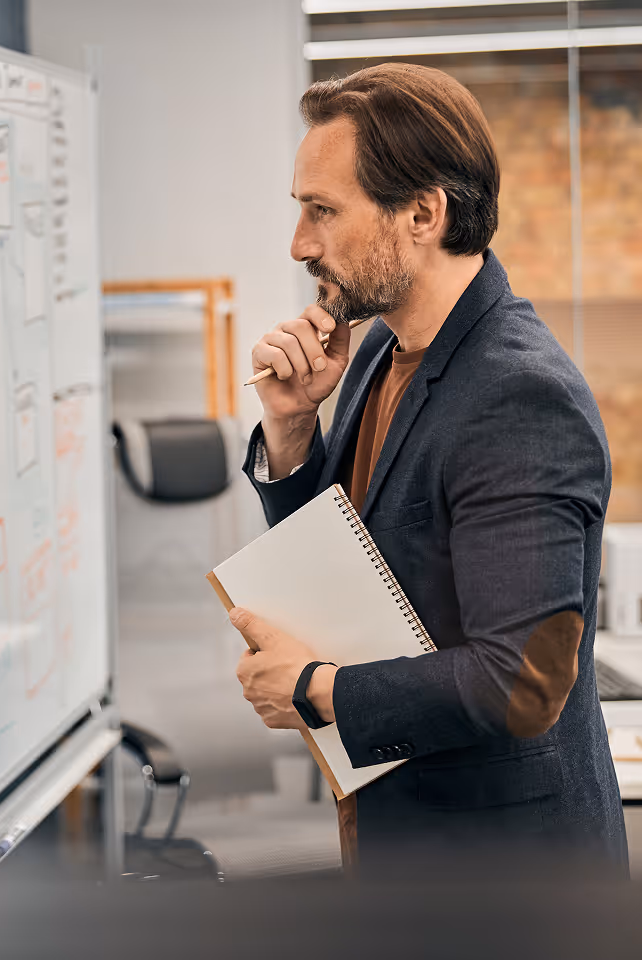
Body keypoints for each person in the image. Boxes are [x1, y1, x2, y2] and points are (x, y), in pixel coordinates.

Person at [231, 62, 626, 877]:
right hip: (403, 835)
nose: (300, 244)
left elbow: (521, 680)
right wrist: (293, 426)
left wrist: (315, 690)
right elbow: (343, 565)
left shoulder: (519, 397)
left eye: (322, 210)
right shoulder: (381, 347)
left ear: (422, 213)